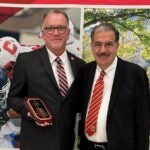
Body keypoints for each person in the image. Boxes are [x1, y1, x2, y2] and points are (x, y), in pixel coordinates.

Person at [7, 9, 85, 150]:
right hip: (34, 143)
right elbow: (13, 98)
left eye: (61, 28)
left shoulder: (80, 65)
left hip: (66, 144)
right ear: (42, 33)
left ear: (68, 33)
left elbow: (79, 103)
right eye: (49, 28)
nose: (55, 33)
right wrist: (31, 112)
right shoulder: (26, 60)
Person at [78, 23, 150, 150]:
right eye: (98, 44)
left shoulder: (135, 74)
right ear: (92, 46)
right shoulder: (85, 71)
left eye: (109, 44)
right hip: (87, 146)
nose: (103, 50)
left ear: (117, 45)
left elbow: (143, 121)